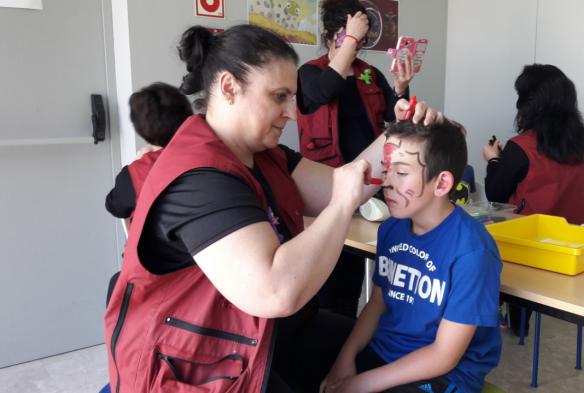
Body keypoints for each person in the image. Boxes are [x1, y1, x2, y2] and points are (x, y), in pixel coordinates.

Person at [103, 24, 442, 393]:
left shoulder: (265, 155)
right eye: (279, 97)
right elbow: (276, 292)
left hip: (263, 337)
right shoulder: (199, 177)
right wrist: (343, 203)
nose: (292, 114)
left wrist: (399, 133)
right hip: (203, 361)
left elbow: (344, 184)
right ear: (229, 88)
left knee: (397, 362)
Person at [321, 120, 502, 393]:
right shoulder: (392, 228)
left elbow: (444, 355)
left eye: (401, 172)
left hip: (444, 374)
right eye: (386, 169)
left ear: (441, 183)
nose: (386, 182)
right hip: (386, 353)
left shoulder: (472, 252)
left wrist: (361, 384)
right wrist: (344, 361)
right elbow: (378, 302)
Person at [296, 0, 416, 318]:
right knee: (329, 278)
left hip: (370, 188)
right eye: (347, 35)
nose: (354, 45)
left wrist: (401, 89)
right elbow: (323, 92)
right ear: (329, 35)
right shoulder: (310, 73)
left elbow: (396, 119)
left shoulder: (369, 75)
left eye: (359, 39)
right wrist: (349, 40)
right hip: (327, 187)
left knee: (354, 275)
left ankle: (350, 331)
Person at [482, 63, 584, 335]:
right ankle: (521, 320)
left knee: (479, 240)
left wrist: (493, 159)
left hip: (527, 244)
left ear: (529, 103)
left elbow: (495, 195)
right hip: (570, 243)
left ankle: (500, 310)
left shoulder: (521, 146)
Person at [104, 82, 193, 221]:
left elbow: (115, 207)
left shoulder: (137, 173)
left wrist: (138, 162)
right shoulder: (208, 149)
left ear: (140, 130)